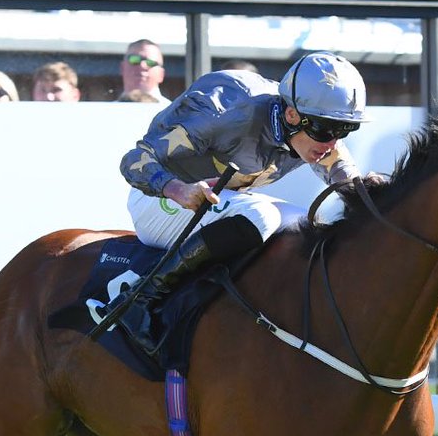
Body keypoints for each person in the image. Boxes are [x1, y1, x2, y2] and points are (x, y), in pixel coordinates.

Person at [105, 51, 367, 350]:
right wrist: (178, 189)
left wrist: (370, 193)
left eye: (344, 129)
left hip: (215, 203)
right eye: (325, 129)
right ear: (292, 115)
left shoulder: (311, 127)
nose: (332, 142)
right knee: (262, 215)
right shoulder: (225, 108)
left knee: (306, 225)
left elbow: (347, 179)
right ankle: (140, 298)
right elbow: (134, 159)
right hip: (158, 201)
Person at [118, 40, 169, 106]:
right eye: (135, 60)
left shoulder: (173, 111)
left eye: (150, 62)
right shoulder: (107, 110)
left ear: (161, 74)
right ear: (122, 68)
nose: (142, 66)